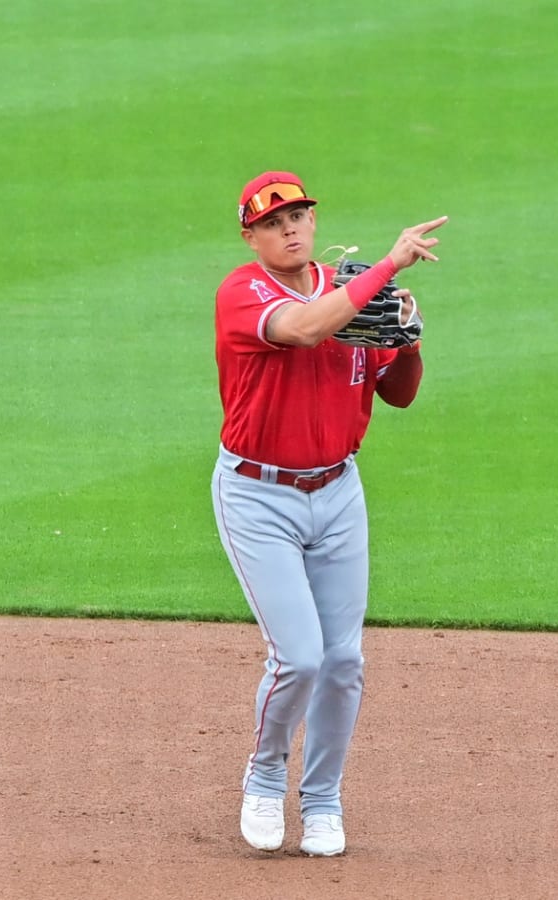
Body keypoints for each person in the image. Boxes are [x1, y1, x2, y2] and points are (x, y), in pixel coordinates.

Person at [210, 171, 447, 855]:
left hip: (339, 492)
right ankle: (263, 775)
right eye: (273, 222)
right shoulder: (244, 293)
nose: (290, 229)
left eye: (299, 216)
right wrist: (385, 270)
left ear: (314, 223)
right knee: (300, 658)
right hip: (259, 497)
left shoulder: (351, 297)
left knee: (344, 660)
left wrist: (406, 338)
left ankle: (322, 801)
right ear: (250, 236)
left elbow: (398, 394)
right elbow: (307, 329)